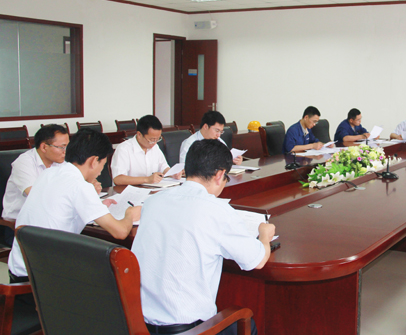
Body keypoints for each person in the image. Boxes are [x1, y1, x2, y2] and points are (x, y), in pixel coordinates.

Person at [132, 139, 275, 335]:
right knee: (246, 322)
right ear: (220, 174)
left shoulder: (153, 201)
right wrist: (264, 236)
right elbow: (257, 261)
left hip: (140, 326)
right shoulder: (216, 210)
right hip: (190, 330)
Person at [7, 128, 141, 283]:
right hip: (46, 278)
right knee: (116, 274)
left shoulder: (49, 173)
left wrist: (98, 205)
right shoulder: (80, 185)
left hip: (21, 269)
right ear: (93, 161)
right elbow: (120, 232)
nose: (100, 172)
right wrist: (130, 215)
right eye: (103, 164)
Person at [111, 115, 182, 186]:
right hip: (129, 190)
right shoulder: (124, 149)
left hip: (151, 188)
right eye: (151, 139)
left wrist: (172, 173)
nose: (154, 143)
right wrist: (147, 179)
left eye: (157, 139)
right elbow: (118, 179)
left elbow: (163, 167)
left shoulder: (155, 147)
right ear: (139, 134)